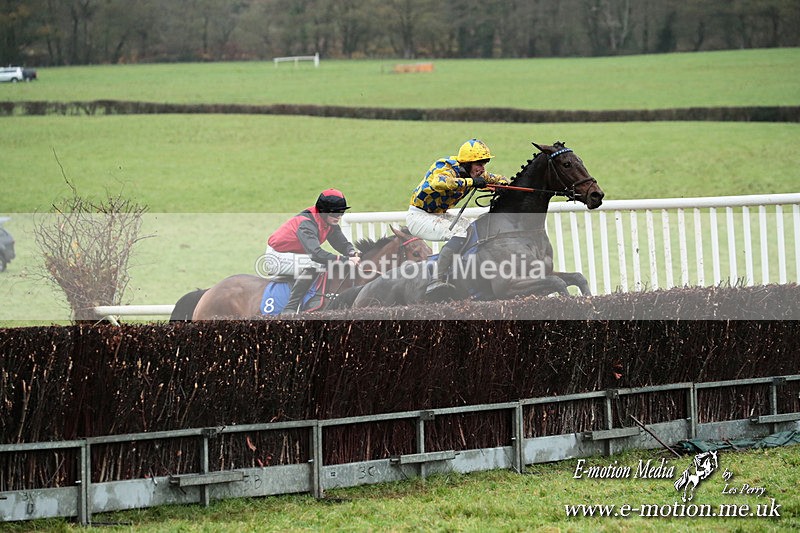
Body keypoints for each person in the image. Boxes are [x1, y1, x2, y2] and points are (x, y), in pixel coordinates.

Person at [406, 139, 508, 299]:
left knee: (470, 229)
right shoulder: (444, 166)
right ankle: (436, 279)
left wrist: (505, 185)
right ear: (467, 163)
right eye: (479, 164)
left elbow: (497, 179)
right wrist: (472, 182)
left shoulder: (474, 172)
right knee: (459, 232)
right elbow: (440, 182)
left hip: (437, 214)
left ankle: (459, 270)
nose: (482, 169)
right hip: (418, 216)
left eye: (484, 164)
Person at [265, 188, 361, 314]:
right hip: (276, 257)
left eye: (341, 212)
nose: (338, 217)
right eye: (335, 213)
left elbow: (342, 244)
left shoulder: (328, 222)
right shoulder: (306, 224)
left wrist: (353, 253)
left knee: (325, 264)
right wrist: (346, 260)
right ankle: (290, 308)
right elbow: (316, 254)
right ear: (323, 211)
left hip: (293, 255)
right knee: (315, 264)